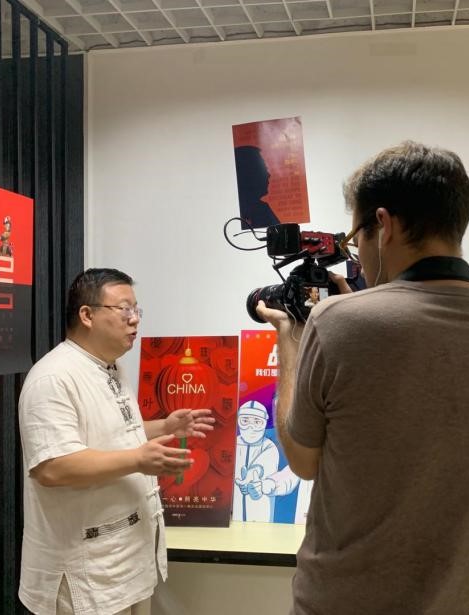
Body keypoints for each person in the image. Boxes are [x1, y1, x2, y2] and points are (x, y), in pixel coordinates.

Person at [256, 141, 469, 614]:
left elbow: (302, 460)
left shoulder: (338, 321)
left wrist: (289, 338)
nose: (357, 254)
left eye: (357, 237)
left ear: (384, 224)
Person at [18, 268, 214, 615]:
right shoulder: (52, 378)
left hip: (128, 559)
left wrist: (165, 426)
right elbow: (52, 467)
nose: (134, 319)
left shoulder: (109, 367)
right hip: (87, 571)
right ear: (87, 315)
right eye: (124, 309)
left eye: (137, 310)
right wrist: (138, 459)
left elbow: (111, 435)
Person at [232, 399, 280, 522]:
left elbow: (265, 464)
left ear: (264, 423)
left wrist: (252, 474)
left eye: (257, 422)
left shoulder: (269, 446)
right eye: (245, 421)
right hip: (233, 513)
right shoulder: (232, 443)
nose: (251, 427)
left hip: (261, 511)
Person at [234, 145, 280, 229]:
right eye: (262, 170)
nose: (268, 175)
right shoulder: (260, 211)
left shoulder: (260, 209)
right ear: (249, 175)